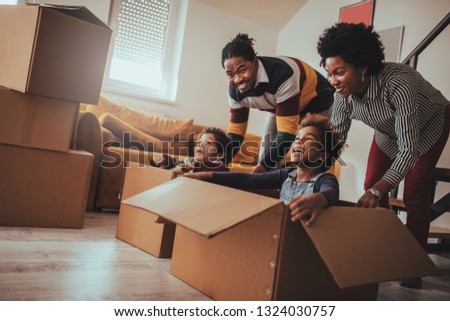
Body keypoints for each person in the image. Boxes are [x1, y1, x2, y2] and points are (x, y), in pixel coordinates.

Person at [317, 22, 450, 288]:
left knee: (414, 189)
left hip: (429, 126)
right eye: (330, 73)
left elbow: (409, 149)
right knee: (370, 185)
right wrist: (313, 173)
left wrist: (379, 191)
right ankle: (382, 252)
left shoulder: (400, 84)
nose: (333, 81)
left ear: (362, 66)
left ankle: (412, 266)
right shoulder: (344, 95)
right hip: (388, 133)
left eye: (339, 72)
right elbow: (335, 140)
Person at [186, 113, 345, 225]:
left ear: (323, 155)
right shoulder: (287, 175)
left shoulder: (324, 180)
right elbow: (247, 179)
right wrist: (207, 175)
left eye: (308, 139)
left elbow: (332, 193)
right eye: (297, 139)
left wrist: (320, 199)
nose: (298, 142)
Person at [221, 33, 335, 174]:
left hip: (317, 101)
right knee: (267, 152)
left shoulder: (283, 74)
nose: (237, 79)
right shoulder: (234, 91)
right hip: (281, 106)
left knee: (309, 155)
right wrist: (217, 165)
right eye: (230, 74)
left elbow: (286, 134)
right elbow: (235, 134)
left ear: (255, 63)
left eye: (242, 70)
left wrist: (257, 173)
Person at [153, 127, 231, 175]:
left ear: (219, 155)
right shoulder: (190, 161)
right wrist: (164, 159)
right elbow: (176, 162)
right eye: (200, 142)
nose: (201, 145)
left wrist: (191, 168)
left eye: (208, 143)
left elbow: (214, 170)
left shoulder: (220, 168)